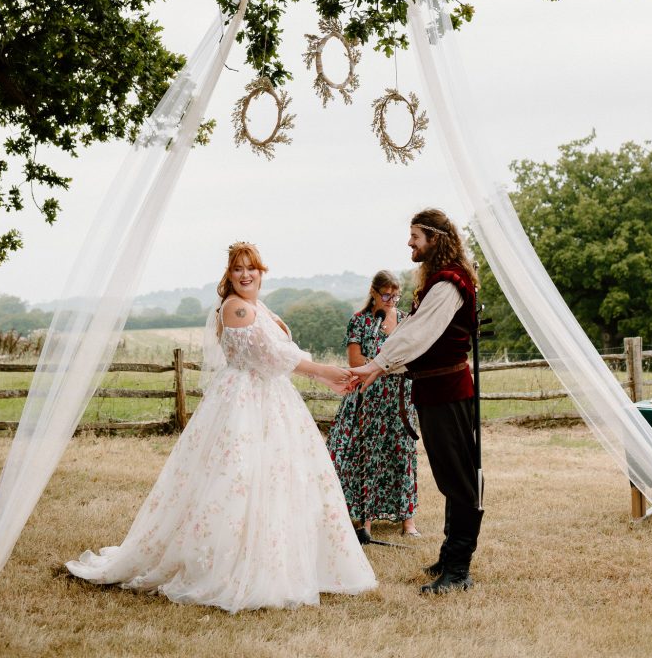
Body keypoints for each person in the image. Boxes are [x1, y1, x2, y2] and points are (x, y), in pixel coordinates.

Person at [66, 241, 377, 612]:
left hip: (273, 399)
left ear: (263, 271)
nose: (246, 274)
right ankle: (228, 564)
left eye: (252, 268)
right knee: (237, 479)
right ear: (229, 275)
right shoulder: (236, 307)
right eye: (238, 269)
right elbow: (273, 355)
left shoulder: (261, 306)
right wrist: (326, 371)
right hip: (243, 401)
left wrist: (329, 380)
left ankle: (279, 559)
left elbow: (281, 358)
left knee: (280, 480)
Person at [350, 209, 482, 594]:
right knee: (450, 477)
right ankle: (449, 556)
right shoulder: (439, 282)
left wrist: (378, 363)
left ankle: (458, 570)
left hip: (449, 393)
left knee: (459, 479)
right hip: (435, 391)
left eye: (415, 236)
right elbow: (411, 330)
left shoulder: (449, 284)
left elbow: (418, 334)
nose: (409, 243)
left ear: (435, 239)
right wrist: (376, 368)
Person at [326, 271, 419, 539]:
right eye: (386, 295)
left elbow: (412, 354)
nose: (391, 301)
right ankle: (364, 519)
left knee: (402, 452)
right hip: (368, 396)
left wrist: (384, 365)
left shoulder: (404, 320)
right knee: (367, 454)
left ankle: (408, 520)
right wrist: (385, 365)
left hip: (399, 396)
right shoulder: (361, 321)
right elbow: (356, 362)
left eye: (396, 295)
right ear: (374, 292)